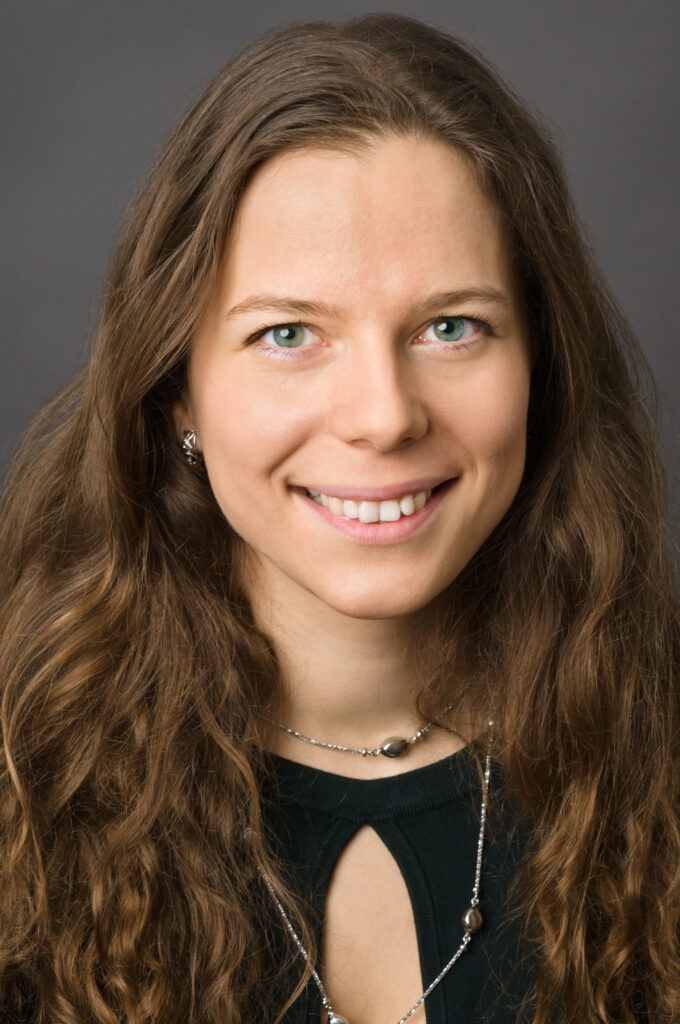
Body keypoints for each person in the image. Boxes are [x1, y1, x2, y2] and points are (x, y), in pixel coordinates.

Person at [0, 12, 678, 1024]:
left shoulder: (655, 745)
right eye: (287, 333)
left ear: (540, 365)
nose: (382, 415)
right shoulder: (24, 778)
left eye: (451, 327)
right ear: (176, 389)